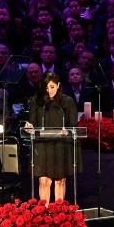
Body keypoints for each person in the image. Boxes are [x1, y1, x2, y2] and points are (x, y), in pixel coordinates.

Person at [24, 72, 78, 202]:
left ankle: (59, 210)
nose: (49, 91)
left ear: (58, 85)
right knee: (44, 180)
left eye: (52, 87)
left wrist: (68, 131)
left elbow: (73, 126)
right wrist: (28, 127)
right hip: (42, 146)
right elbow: (32, 123)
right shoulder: (37, 101)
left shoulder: (68, 101)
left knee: (60, 180)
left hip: (61, 145)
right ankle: (44, 211)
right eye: (46, 87)